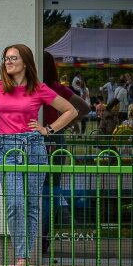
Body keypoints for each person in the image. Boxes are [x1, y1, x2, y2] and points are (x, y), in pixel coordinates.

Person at [0, 44, 76, 266]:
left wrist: (48, 129)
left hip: (34, 148)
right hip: (7, 149)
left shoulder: (39, 88)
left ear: (25, 62)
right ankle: (20, 255)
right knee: (15, 204)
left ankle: (21, 260)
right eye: (5, 58)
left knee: (31, 206)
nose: (8, 62)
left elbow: (70, 111)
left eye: (13, 58)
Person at [40, 51, 90, 254]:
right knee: (52, 189)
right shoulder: (57, 88)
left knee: (40, 191)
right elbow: (84, 108)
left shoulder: (36, 88)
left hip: (39, 139)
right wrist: (66, 123)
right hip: (56, 140)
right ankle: (45, 236)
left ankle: (40, 236)